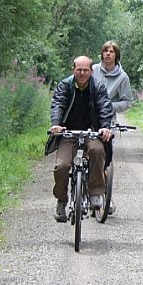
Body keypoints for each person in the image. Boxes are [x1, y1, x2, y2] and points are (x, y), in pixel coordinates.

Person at [45, 55, 114, 222]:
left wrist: (105, 126)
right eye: (79, 70)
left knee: (98, 151)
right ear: (73, 70)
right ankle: (62, 200)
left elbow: (104, 106)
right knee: (62, 166)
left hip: (92, 132)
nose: (82, 73)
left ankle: (96, 193)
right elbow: (58, 105)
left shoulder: (98, 86)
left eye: (86, 70)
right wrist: (56, 124)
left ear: (91, 71)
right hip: (68, 133)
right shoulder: (64, 85)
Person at [92, 41, 133, 215]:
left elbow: (127, 102)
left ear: (116, 55)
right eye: (105, 51)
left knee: (104, 159)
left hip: (108, 120)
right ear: (101, 54)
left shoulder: (122, 77)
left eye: (112, 51)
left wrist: (108, 106)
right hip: (88, 116)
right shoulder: (92, 70)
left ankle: (104, 193)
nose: (108, 54)